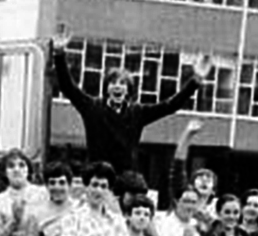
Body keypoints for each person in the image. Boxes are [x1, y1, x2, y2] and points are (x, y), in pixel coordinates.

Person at [51, 27, 212, 174]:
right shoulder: (92, 107)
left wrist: (195, 80)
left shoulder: (137, 112)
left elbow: (170, 106)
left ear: (128, 90)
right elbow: (68, 87)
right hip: (97, 176)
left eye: (122, 84)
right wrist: (59, 53)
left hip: (126, 179)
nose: (117, 87)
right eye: (113, 83)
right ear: (106, 87)